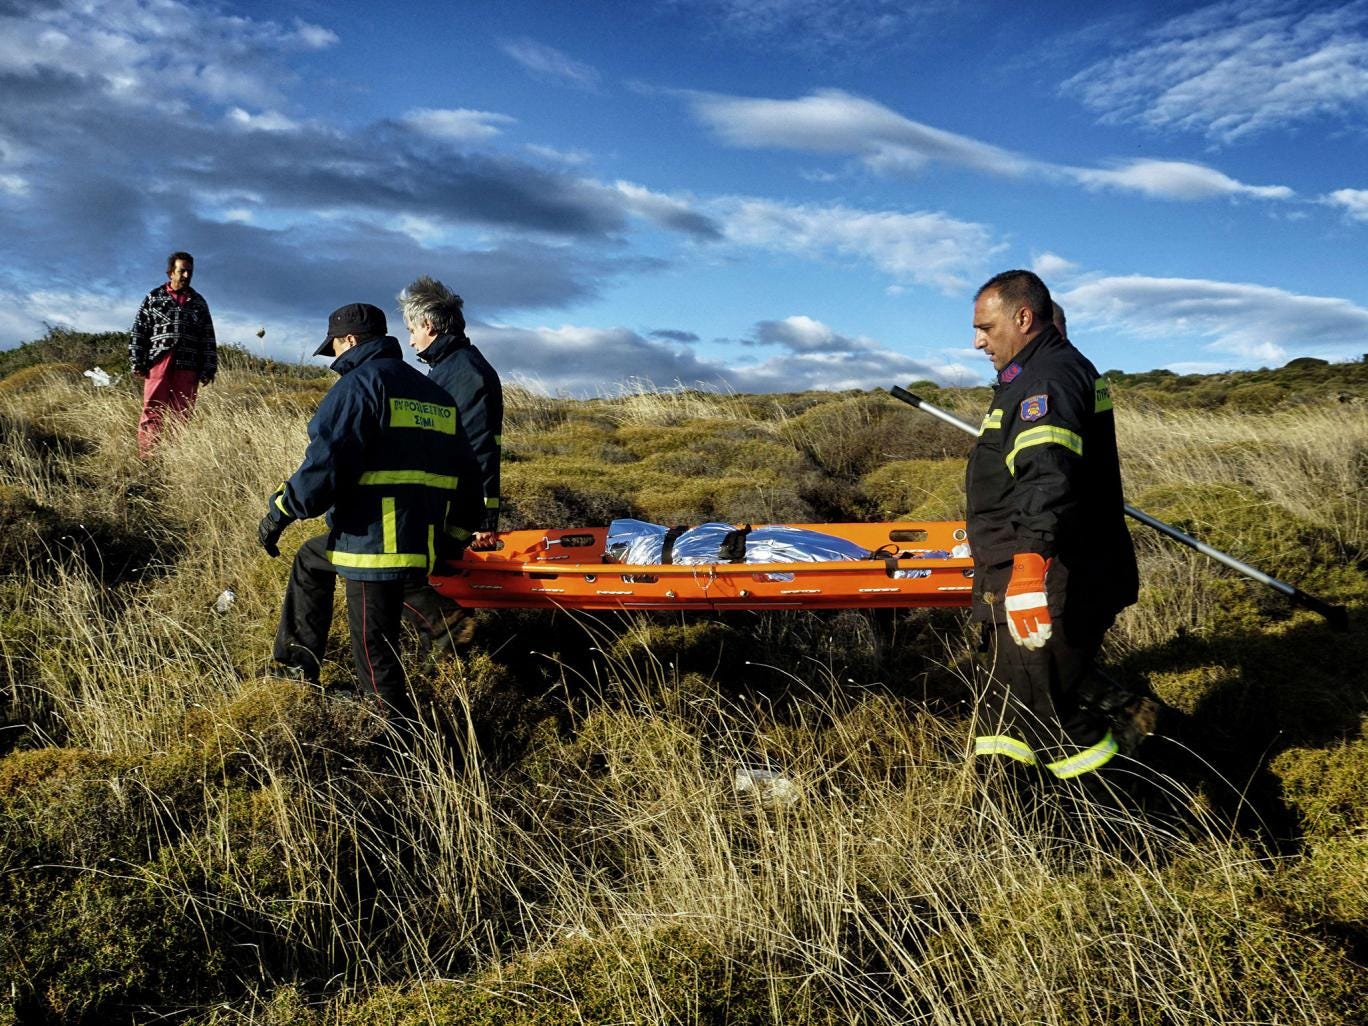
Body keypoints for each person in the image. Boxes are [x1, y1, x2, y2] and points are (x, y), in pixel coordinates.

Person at [257, 303, 483, 719]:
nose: (336, 360)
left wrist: (281, 510)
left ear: (352, 340)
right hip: (419, 536)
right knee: (311, 559)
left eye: (337, 349)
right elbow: (470, 477)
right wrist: (453, 538)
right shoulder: (436, 395)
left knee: (372, 648)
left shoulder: (359, 387)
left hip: (372, 541)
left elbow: (324, 466)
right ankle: (297, 666)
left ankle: (394, 742)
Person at [965, 270, 1140, 784]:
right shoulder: (1033, 375)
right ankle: (1011, 824)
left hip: (1051, 576)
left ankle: (1151, 813)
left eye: (985, 327)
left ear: (1023, 317)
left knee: (1046, 720)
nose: (977, 341)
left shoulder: (1046, 380)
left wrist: (1026, 572)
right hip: (1028, 571)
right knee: (1005, 719)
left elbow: (1048, 477)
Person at [396, 276, 504, 651]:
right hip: (439, 505)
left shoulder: (464, 374)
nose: (410, 340)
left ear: (428, 325)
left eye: (411, 330)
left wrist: (482, 522)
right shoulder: (449, 369)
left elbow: (479, 451)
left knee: (399, 578)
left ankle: (452, 646)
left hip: (448, 509)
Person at [128, 251, 217, 457]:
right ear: (170, 272)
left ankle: (175, 459)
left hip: (189, 364)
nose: (186, 276)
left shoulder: (199, 303)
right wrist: (137, 361)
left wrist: (209, 368)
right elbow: (139, 330)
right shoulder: (154, 298)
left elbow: (208, 337)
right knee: (153, 410)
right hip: (158, 362)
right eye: (182, 271)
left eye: (189, 272)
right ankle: (148, 457)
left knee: (182, 414)